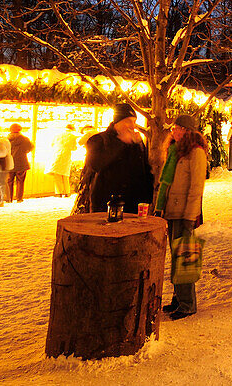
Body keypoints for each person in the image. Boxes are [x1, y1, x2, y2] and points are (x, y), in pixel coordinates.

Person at [158, 115, 208, 320]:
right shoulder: (176, 152)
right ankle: (179, 299)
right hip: (172, 211)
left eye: (177, 128)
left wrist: (190, 215)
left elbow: (197, 187)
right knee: (176, 257)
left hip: (184, 213)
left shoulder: (195, 153)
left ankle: (188, 304)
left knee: (185, 258)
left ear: (187, 131)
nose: (173, 131)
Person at [76, 104, 154, 214]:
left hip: (132, 204)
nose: (133, 126)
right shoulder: (98, 140)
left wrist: (147, 198)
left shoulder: (136, 143)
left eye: (134, 121)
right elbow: (96, 165)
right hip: (105, 204)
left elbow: (145, 169)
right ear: (117, 122)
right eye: (128, 121)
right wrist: (121, 142)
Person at [47, 124, 78, 197]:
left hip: (56, 154)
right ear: (72, 129)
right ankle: (67, 192)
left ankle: (59, 192)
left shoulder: (57, 134)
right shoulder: (72, 136)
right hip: (66, 155)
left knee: (57, 174)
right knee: (65, 174)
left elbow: (52, 144)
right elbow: (73, 148)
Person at [7, 123, 33, 203]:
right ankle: (19, 198)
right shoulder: (24, 139)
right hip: (21, 162)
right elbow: (31, 147)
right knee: (20, 181)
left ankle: (9, 198)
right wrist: (24, 152)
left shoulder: (7, 140)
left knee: (9, 181)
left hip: (9, 162)